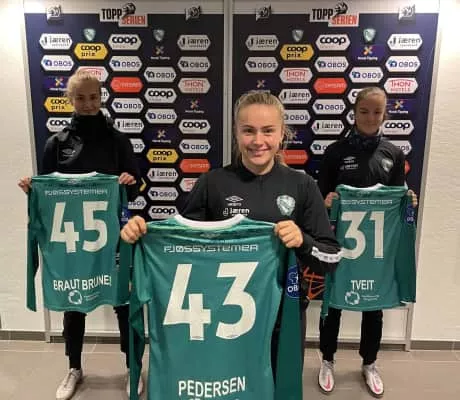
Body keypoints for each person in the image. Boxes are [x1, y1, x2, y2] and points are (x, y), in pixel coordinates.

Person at [120, 90, 342, 374]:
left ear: (281, 134)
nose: (258, 141)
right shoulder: (213, 183)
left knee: (280, 387)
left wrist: (303, 241)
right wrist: (142, 233)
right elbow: (180, 245)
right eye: (248, 131)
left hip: (282, 317)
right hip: (222, 318)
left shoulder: (302, 186)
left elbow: (331, 258)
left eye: (268, 131)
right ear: (236, 133)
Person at [18, 70, 142, 400]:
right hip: (72, 237)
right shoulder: (56, 144)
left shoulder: (117, 140)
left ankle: (132, 367)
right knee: (73, 304)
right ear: (70, 100)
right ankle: (74, 366)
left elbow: (135, 185)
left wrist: (129, 181)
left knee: (123, 302)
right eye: (81, 98)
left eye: (93, 97)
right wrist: (32, 189)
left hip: (112, 238)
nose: (88, 104)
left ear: (101, 97)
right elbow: (46, 190)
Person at [317, 86, 418, 398]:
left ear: (385, 114)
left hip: (376, 245)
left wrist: (407, 199)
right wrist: (327, 200)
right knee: (333, 301)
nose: (370, 117)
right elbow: (320, 196)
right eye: (364, 111)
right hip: (339, 240)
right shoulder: (335, 152)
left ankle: (369, 363)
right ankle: (327, 359)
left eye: (377, 112)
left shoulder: (393, 154)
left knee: (374, 304)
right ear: (354, 112)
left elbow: (398, 195)